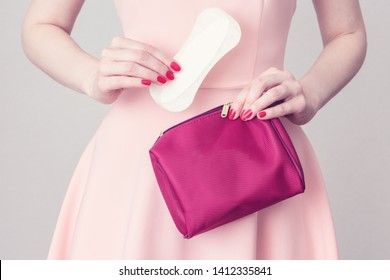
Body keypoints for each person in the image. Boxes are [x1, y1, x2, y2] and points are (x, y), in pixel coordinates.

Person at [22, 0, 366, 259]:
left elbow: (347, 32)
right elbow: (41, 25)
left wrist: (311, 93)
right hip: (137, 164)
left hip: (258, 159)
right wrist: (90, 76)